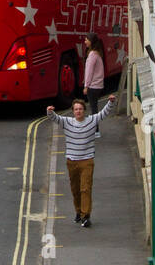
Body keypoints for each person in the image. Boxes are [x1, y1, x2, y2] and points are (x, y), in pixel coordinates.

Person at [46, 93, 115, 227]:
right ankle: (78, 212)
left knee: (85, 188)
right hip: (72, 161)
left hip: (87, 161)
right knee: (75, 189)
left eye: (81, 109)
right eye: (76, 109)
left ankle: (85, 216)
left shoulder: (92, 120)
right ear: (73, 111)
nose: (78, 111)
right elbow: (55, 118)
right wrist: (49, 111)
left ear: (84, 110)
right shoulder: (67, 122)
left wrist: (111, 102)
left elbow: (104, 113)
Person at [82, 35, 105, 112]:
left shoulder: (92, 55)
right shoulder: (97, 53)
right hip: (98, 85)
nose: (85, 42)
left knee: (93, 109)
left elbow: (89, 71)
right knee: (94, 108)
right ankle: (95, 123)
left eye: (86, 40)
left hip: (93, 86)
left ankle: (95, 124)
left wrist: (86, 86)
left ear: (91, 42)